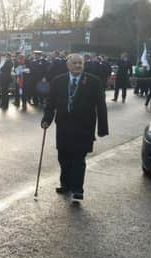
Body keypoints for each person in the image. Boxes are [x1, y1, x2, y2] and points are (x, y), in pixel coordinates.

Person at [41, 53, 109, 202]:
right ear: (68, 65)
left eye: (80, 63)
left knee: (79, 158)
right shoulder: (58, 81)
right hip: (64, 126)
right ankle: (65, 184)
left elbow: (101, 105)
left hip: (84, 127)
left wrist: (102, 127)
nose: (78, 65)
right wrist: (47, 119)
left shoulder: (93, 81)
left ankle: (77, 189)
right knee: (63, 157)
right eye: (75, 63)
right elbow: (51, 102)